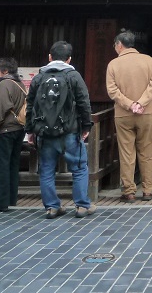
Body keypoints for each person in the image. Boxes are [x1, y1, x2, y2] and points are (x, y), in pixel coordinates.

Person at [25, 41, 94, 219]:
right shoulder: (74, 76)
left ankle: (52, 207)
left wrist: (30, 130)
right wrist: (86, 126)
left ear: (50, 57)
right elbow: (84, 103)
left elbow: (30, 105)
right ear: (69, 59)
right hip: (70, 131)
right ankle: (81, 205)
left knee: (46, 170)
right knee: (79, 167)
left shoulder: (39, 77)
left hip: (45, 132)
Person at [107, 30, 152, 203]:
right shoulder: (148, 60)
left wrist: (130, 104)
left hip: (124, 114)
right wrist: (141, 103)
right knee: (147, 151)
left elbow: (112, 90)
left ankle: (129, 191)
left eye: (115, 45)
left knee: (126, 153)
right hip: (146, 112)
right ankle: (148, 190)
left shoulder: (113, 64)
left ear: (120, 45)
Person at [0, 57, 27, 212]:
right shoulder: (20, 84)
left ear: (5, 71)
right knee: (12, 165)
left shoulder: (4, 84)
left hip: (6, 129)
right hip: (19, 128)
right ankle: (10, 198)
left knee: (0, 165)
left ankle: (0, 202)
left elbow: (1, 106)